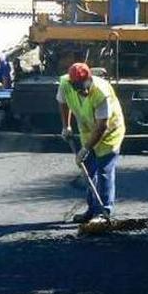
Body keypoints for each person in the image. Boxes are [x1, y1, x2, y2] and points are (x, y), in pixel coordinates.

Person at [57, 62, 126, 225]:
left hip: (110, 133)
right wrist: (66, 125)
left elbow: (102, 125)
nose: (85, 90)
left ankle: (104, 212)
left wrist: (85, 149)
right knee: (89, 170)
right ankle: (92, 210)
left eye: (86, 85)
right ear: (73, 84)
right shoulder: (65, 84)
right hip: (88, 131)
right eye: (81, 87)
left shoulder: (101, 91)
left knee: (104, 171)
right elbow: (62, 102)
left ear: (90, 77)